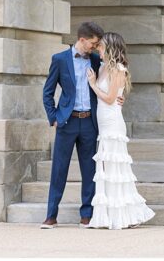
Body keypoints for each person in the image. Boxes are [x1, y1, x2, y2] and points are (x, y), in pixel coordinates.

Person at [40, 21, 122, 228]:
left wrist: (120, 97)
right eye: (92, 44)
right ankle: (51, 215)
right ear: (82, 39)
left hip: (89, 122)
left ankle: (87, 214)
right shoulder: (59, 59)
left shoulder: (96, 60)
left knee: (89, 170)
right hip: (67, 122)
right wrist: (54, 117)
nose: (95, 48)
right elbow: (47, 92)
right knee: (59, 169)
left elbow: (115, 80)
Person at [86, 32, 155, 230]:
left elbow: (109, 98)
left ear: (109, 47)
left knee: (116, 169)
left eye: (101, 46)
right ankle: (110, 215)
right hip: (104, 122)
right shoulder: (103, 68)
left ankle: (127, 214)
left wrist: (92, 84)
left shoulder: (118, 69)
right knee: (108, 169)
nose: (98, 49)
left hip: (113, 122)